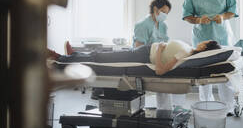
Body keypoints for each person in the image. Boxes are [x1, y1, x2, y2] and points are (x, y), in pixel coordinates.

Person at [182, 0, 241, 115]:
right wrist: (198, 20)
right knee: (203, 74)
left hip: (222, 36)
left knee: (224, 72)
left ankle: (228, 107)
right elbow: (187, 16)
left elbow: (232, 11)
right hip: (201, 38)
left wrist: (222, 17)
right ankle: (206, 104)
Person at [53, 40, 221, 76]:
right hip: (144, 50)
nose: (203, 40)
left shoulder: (185, 54)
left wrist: (160, 50)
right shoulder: (189, 49)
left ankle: (62, 59)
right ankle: (72, 55)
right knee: (99, 55)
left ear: (204, 46)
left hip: (144, 55)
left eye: (206, 41)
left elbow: (161, 71)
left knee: (100, 57)